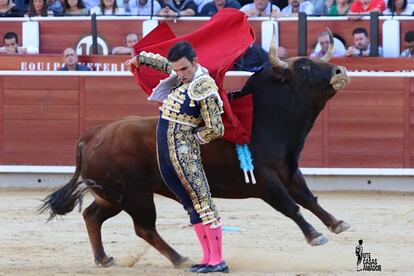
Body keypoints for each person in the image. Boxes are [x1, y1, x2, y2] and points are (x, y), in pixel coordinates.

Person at [124, 41, 229, 273]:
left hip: (185, 154)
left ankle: (218, 260)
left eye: (184, 69)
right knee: (191, 206)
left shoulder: (204, 85)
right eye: (177, 70)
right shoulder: (182, 75)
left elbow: (216, 128)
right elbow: (164, 65)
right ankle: (207, 257)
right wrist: (140, 58)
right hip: (167, 152)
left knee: (203, 203)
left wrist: (192, 140)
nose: (180, 74)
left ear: (195, 63)